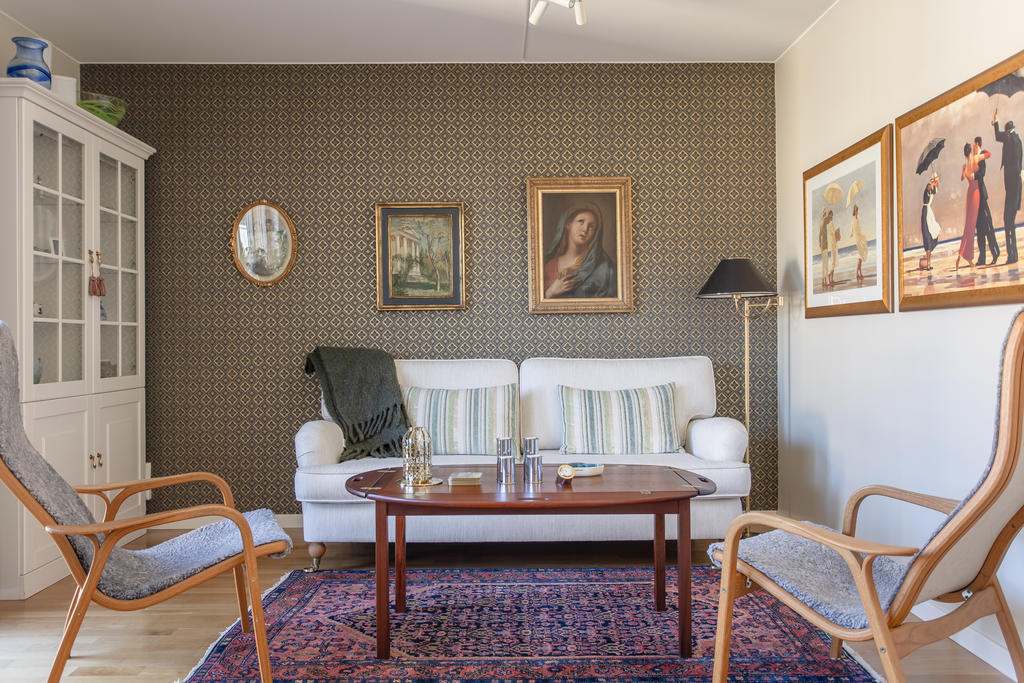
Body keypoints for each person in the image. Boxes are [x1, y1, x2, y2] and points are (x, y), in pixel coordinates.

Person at [543, 203, 617, 298]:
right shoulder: (549, 266)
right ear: (568, 224)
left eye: (591, 226)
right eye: (581, 222)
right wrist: (550, 292)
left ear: (595, 234)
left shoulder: (605, 268)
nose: (585, 229)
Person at [994, 111, 1022, 264]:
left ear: (1007, 131)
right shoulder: (1018, 140)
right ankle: (1013, 254)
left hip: (1012, 190)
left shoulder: (1010, 139)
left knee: (1008, 221)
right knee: (1010, 222)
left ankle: (1012, 255)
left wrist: (995, 121)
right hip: (1015, 190)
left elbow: (998, 136)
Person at [957, 141, 986, 271]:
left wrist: (965, 172)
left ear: (964, 154)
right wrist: (979, 154)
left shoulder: (965, 166)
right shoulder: (974, 161)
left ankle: (961, 256)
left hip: (970, 193)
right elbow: (988, 154)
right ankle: (967, 257)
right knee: (971, 226)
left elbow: (962, 178)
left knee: (968, 225)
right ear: (970, 152)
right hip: (975, 194)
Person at [972, 136, 999, 265]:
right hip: (975, 197)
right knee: (979, 228)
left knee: (988, 226)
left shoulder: (981, 156)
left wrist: (973, 175)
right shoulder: (974, 158)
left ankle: (995, 252)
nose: (973, 147)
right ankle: (982, 258)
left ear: (977, 144)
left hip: (982, 197)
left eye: (974, 145)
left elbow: (982, 173)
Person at [920, 172, 942, 269]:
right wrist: (933, 183)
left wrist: (936, 183)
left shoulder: (933, 189)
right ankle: (928, 264)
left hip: (928, 212)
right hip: (926, 213)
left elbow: (935, 189)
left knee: (932, 232)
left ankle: (928, 263)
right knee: (927, 235)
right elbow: (929, 187)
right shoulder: (929, 186)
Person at [850, 204, 868, 284]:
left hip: (859, 237)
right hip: (858, 238)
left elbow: (853, 229)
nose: (857, 212)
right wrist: (853, 234)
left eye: (857, 210)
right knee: (860, 257)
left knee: (860, 258)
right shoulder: (854, 219)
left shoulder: (856, 219)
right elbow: (853, 229)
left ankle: (859, 274)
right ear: (854, 211)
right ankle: (857, 274)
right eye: (856, 210)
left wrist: (851, 233)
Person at [826, 209, 839, 286]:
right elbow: (832, 233)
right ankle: (829, 276)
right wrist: (837, 231)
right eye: (831, 215)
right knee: (833, 260)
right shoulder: (830, 224)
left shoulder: (831, 223)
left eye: (832, 215)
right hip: (833, 242)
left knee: (834, 260)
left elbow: (832, 233)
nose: (832, 217)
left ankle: (831, 279)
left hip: (833, 241)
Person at [818, 206, 830, 288]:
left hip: (822, 245)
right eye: (824, 212)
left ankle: (823, 280)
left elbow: (819, 235)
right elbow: (829, 219)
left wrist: (819, 244)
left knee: (824, 263)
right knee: (826, 263)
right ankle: (826, 280)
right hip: (824, 245)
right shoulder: (824, 220)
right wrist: (826, 212)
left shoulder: (821, 222)